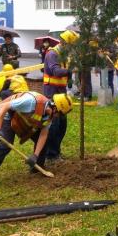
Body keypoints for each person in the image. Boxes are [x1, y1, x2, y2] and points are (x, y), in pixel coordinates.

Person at [0, 92, 73, 191]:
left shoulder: (49, 114)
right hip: (5, 115)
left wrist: (35, 155)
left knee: (44, 141)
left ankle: (37, 168)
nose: (58, 117)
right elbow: (4, 106)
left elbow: (43, 134)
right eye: (59, 114)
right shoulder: (31, 101)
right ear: (54, 108)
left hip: (21, 118)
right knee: (4, 146)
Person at [43, 30, 77, 162]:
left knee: (62, 124)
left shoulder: (65, 55)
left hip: (61, 92)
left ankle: (56, 151)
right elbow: (55, 71)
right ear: (64, 43)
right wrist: (70, 70)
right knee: (54, 124)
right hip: (51, 92)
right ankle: (51, 155)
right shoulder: (52, 54)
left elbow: (66, 74)